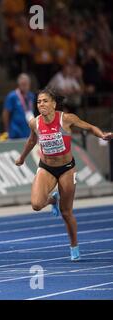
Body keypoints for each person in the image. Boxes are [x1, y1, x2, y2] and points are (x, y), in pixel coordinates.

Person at [15, 88, 112, 261]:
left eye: (45, 101)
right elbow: (32, 140)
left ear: (53, 103)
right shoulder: (34, 123)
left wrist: (102, 134)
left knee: (66, 212)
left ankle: (74, 246)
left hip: (67, 168)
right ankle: (53, 199)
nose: (41, 104)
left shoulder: (66, 119)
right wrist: (22, 158)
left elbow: (89, 127)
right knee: (36, 205)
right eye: (38, 102)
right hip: (46, 167)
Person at [0, 73, 35, 141]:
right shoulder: (12, 96)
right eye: (22, 84)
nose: (24, 86)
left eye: (26, 84)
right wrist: (7, 130)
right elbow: (5, 114)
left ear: (29, 84)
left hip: (28, 130)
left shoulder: (31, 96)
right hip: (15, 130)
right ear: (19, 84)